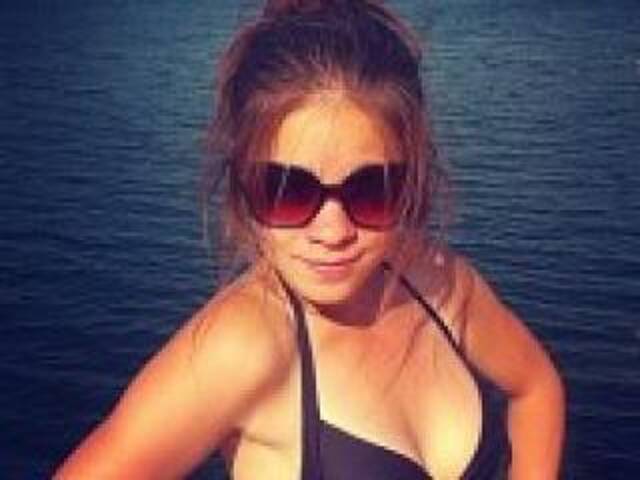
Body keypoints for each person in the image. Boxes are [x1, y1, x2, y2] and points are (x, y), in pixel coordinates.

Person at [55, 0, 565, 478]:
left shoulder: (438, 281)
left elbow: (536, 388)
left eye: (373, 190)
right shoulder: (242, 347)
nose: (333, 231)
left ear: (412, 181)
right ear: (242, 184)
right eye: (288, 190)